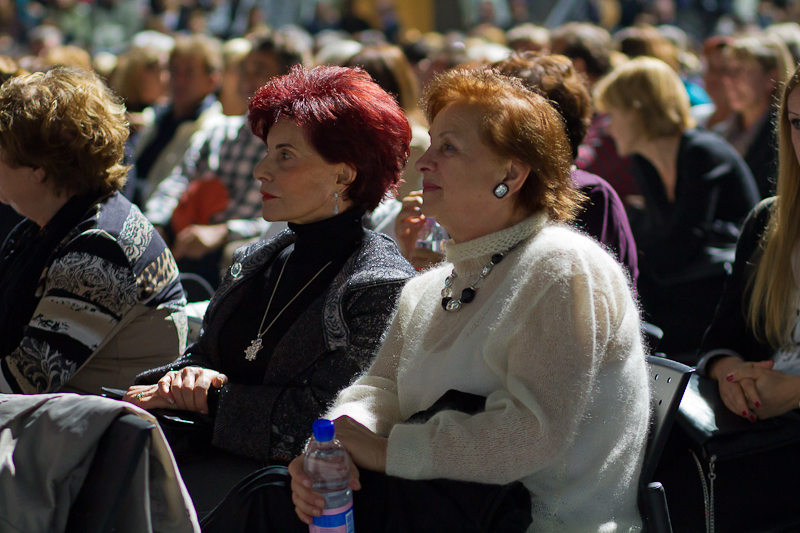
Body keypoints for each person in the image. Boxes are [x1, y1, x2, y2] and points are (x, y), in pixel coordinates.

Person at [277, 68, 649, 532]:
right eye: (430, 144)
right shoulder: (428, 287)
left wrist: (388, 451)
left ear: (511, 174)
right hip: (437, 512)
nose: (425, 161)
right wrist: (334, 448)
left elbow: (531, 431)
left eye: (448, 147)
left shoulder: (564, 267)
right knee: (277, 498)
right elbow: (379, 390)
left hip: (544, 524)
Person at [125, 65, 415, 514]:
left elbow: (324, 419)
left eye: (285, 156)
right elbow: (206, 356)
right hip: (197, 472)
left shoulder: (379, 284)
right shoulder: (258, 258)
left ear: (344, 175)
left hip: (286, 502)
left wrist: (211, 396)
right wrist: (183, 378)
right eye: (267, 152)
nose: (261, 170)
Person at [0, 67, 186, 396]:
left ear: (38, 171)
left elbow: (23, 382)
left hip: (90, 437)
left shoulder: (101, 248)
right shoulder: (45, 225)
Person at [595, 56, 760, 358]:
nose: (608, 127)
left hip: (730, 289)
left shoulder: (702, 152)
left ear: (638, 112)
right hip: (689, 280)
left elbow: (686, 240)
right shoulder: (644, 159)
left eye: (612, 114)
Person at [698, 63, 800, 421]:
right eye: (797, 123)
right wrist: (731, 376)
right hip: (759, 428)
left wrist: (793, 391)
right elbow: (723, 335)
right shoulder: (768, 220)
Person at [715, 33, 792, 199]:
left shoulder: (788, 136)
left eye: (740, 70)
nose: (728, 79)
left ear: (771, 78)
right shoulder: (719, 134)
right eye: (727, 70)